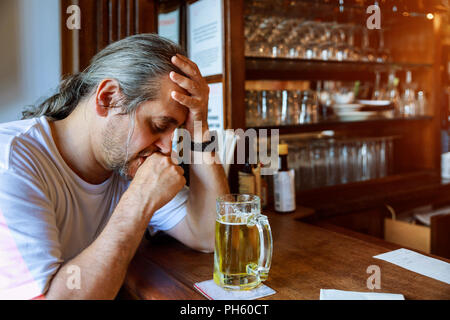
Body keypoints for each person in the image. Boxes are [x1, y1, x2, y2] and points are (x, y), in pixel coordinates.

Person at [0, 34, 229, 299]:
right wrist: (138, 201)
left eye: (176, 131)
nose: (168, 148)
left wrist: (199, 130)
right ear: (107, 98)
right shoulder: (11, 163)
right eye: (158, 126)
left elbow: (209, 235)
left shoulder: (127, 161)